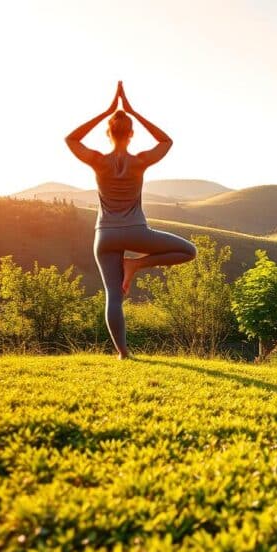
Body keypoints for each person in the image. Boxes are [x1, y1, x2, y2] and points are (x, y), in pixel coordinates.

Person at [66, 82, 196, 359]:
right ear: (132, 134)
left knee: (113, 296)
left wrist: (107, 112)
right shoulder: (140, 161)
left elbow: (72, 139)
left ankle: (123, 354)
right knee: (189, 251)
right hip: (137, 232)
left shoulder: (98, 161)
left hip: (105, 236)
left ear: (108, 133)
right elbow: (166, 142)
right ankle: (135, 264)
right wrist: (134, 112)